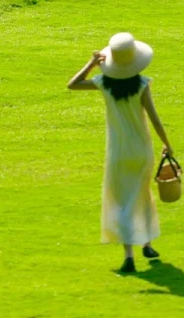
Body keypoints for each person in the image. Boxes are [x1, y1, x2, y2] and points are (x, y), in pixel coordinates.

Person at [68, 31, 174, 274]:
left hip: (118, 151)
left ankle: (129, 256)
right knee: (143, 193)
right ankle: (147, 244)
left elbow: (73, 85)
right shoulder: (142, 85)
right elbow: (155, 120)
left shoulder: (104, 84)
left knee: (123, 200)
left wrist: (91, 64)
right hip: (142, 148)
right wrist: (167, 143)